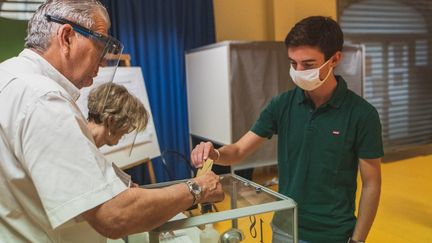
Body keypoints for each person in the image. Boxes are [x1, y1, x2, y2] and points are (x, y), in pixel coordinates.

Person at [0, 1, 223, 242]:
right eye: (101, 43)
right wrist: (197, 189)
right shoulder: (44, 100)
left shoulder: (9, 76)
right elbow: (114, 215)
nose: (105, 60)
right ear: (66, 37)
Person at [191, 16, 382, 243]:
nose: (299, 71)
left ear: (335, 59)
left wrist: (358, 240)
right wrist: (216, 154)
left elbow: (372, 183)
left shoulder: (362, 115)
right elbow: (240, 150)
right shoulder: (282, 105)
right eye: (293, 63)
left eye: (308, 64)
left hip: (333, 234)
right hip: (284, 227)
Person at [86, 82, 148, 148]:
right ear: (110, 121)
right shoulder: (85, 153)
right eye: (130, 126)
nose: (127, 131)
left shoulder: (84, 141)